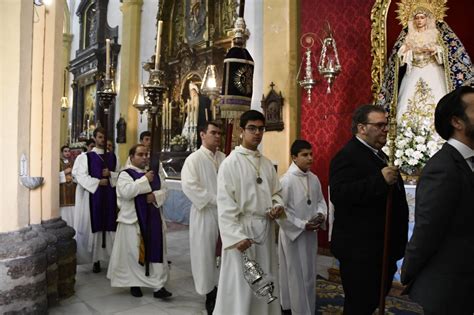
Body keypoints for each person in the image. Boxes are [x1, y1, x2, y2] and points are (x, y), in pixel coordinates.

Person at [329, 105, 408, 314]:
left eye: (386, 124)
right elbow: (340, 194)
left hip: (380, 249)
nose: (385, 129)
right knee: (359, 306)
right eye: (379, 125)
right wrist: (379, 180)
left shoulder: (379, 154)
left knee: (371, 301)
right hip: (361, 251)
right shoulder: (347, 155)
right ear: (362, 128)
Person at [401, 86, 474, 314]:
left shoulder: (467, 162)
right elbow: (427, 230)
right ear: (457, 122)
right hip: (447, 288)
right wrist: (408, 273)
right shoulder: (443, 168)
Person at [377, 2, 473, 164]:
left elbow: (449, 56)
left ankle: (439, 144)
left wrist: (435, 51)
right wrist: (407, 52)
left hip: (433, 73)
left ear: (429, 19)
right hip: (413, 74)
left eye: (422, 17)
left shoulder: (438, 35)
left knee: (437, 104)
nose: (419, 21)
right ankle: (405, 148)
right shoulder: (408, 37)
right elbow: (398, 60)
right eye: (416, 18)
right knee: (408, 107)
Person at [213, 110, 284, 315]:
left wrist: (276, 207)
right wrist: (235, 236)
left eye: (261, 129)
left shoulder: (267, 163)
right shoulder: (230, 163)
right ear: (241, 131)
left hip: (264, 229)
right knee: (241, 284)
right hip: (242, 232)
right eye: (252, 128)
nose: (257, 133)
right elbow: (225, 204)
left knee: (266, 278)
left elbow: (277, 193)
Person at [107, 144, 172, 299]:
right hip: (133, 220)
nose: (144, 157)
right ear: (131, 157)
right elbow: (126, 192)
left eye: (146, 154)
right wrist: (144, 181)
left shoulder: (153, 173)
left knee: (156, 250)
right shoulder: (125, 174)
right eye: (140, 155)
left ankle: (158, 286)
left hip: (153, 218)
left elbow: (165, 189)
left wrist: (155, 196)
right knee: (133, 254)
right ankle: (134, 283)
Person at [181, 121, 225, 314]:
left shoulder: (224, 158)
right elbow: (190, 186)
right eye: (213, 132)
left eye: (219, 133)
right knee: (205, 254)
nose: (217, 136)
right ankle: (209, 294)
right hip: (205, 212)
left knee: (225, 254)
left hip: (225, 214)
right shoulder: (194, 159)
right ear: (202, 135)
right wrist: (216, 200)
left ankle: (224, 290)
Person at [278, 139, 327, 315]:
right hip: (294, 235)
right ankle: (293, 309)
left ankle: (307, 308)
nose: (310, 158)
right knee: (294, 273)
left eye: (311, 154)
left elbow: (321, 201)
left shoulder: (313, 179)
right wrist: (301, 224)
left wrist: (321, 215)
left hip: (310, 234)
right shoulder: (286, 181)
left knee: (309, 273)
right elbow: (280, 212)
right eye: (305, 155)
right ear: (294, 157)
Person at [72, 127, 118, 273]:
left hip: (109, 196)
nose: (102, 140)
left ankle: (112, 259)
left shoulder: (112, 157)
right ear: (95, 138)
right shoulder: (86, 157)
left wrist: (110, 174)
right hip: (93, 197)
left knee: (110, 226)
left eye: (104, 137)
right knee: (95, 227)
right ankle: (96, 259)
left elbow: (121, 174)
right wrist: (97, 182)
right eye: (99, 137)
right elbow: (80, 175)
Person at [182, 83, 211, 150]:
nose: (192, 93)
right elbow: (185, 109)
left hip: (196, 118)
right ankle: (188, 145)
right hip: (190, 118)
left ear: (196, 91)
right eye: (191, 92)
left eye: (193, 91)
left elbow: (196, 106)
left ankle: (194, 145)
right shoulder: (190, 100)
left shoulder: (198, 99)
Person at [59, 145, 76, 227]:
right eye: (65, 151)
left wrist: (72, 177)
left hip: (72, 192)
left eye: (69, 151)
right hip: (63, 192)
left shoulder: (73, 162)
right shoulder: (58, 162)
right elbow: (54, 176)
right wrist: (64, 173)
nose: (67, 153)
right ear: (61, 153)